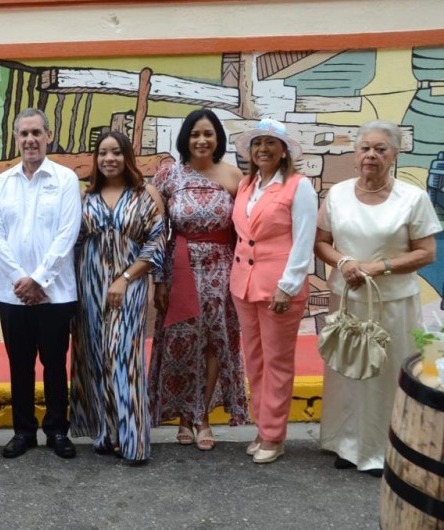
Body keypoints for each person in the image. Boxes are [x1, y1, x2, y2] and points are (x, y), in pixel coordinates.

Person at [314, 120, 440, 477]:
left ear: (394, 155)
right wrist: (346, 262)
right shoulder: (337, 194)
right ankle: (346, 444)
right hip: (348, 300)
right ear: (355, 155)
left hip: (395, 304)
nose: (371, 155)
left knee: (386, 374)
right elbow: (321, 242)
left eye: (380, 149)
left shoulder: (412, 198)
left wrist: (377, 267)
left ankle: (385, 448)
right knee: (347, 372)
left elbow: (426, 253)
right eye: (364, 148)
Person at [147, 109, 249, 451]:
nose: (201, 140)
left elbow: (246, 231)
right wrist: (159, 279)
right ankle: (182, 417)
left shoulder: (235, 177)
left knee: (212, 344)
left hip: (222, 269)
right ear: (185, 139)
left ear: (218, 138)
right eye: (194, 134)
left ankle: (201, 416)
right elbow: (157, 230)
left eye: (208, 133)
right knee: (180, 342)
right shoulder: (168, 176)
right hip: (179, 269)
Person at [0, 108, 82, 459]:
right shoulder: (1, 183)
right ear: (16, 138)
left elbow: (67, 233)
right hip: (12, 295)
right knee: (20, 364)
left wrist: (38, 279)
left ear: (48, 135)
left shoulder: (65, 179)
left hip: (56, 294)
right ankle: (23, 431)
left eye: (36, 133)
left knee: (56, 364)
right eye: (23, 133)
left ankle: (57, 430)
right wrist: (20, 280)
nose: (30, 139)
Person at [70, 131, 164, 464]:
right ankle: (108, 433)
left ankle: (134, 441)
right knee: (97, 357)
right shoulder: (86, 197)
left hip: (130, 285)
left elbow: (156, 242)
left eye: (116, 152)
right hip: (89, 286)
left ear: (127, 156)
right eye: (102, 153)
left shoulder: (144, 194)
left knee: (122, 356)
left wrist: (125, 278)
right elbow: (75, 243)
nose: (109, 158)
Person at [230, 118, 317, 464]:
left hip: (280, 287)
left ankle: (274, 435)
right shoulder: (247, 185)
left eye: (270, 143)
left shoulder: (299, 187)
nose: (262, 149)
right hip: (244, 285)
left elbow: (304, 239)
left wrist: (289, 285)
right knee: (254, 361)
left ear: (283, 151)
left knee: (277, 362)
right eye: (257, 143)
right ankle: (262, 426)